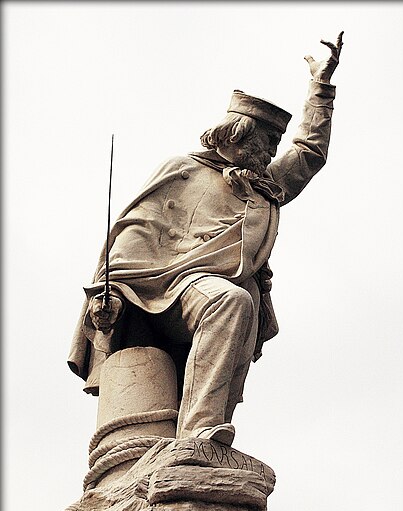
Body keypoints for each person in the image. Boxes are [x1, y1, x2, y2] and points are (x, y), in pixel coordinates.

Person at [68, 33, 344, 446]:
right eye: (268, 141)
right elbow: (137, 229)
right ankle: (199, 430)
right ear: (238, 136)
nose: (273, 152)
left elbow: (309, 152)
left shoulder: (264, 185)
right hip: (168, 289)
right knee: (230, 300)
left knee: (241, 299)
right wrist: (107, 292)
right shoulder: (185, 169)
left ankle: (206, 436)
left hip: (224, 288)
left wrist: (320, 90)